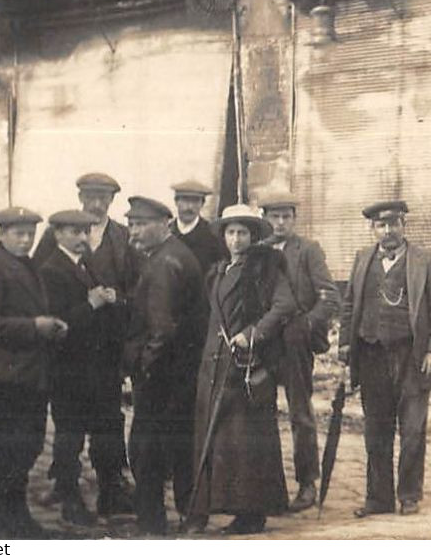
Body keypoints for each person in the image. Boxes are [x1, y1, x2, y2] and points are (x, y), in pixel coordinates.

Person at [187, 205, 298, 535]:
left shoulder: (264, 269)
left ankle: (251, 512)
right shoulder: (219, 271)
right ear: (223, 237)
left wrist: (253, 334)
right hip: (214, 364)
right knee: (213, 437)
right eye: (231, 232)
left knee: (244, 441)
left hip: (245, 365)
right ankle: (205, 508)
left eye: (243, 233)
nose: (236, 239)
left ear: (253, 237)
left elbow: (285, 305)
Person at [31, 171, 135, 517]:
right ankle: (67, 490)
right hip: (71, 363)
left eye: (103, 197)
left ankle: (111, 489)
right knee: (70, 428)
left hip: (103, 356)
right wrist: (91, 304)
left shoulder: (107, 246)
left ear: (111, 201)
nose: (81, 235)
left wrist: (109, 301)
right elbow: (50, 310)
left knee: (107, 423)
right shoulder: (52, 264)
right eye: (73, 231)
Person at [337, 200, 431, 518]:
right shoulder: (362, 259)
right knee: (376, 429)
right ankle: (378, 498)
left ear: (404, 226)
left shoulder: (423, 260)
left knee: (412, 429)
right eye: (381, 226)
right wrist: (345, 344)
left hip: (411, 356)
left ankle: (409, 494)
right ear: (372, 229)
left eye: (394, 224)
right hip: (371, 354)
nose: (388, 231)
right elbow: (349, 307)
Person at [0, 208, 67, 537]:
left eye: (30, 234)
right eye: (18, 234)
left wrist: (49, 326)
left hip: (30, 375)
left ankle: (16, 514)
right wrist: (34, 327)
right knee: (4, 449)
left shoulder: (28, 266)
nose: (25, 240)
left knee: (27, 447)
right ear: (2, 234)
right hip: (3, 377)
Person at [123, 196, 207, 536]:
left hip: (161, 374)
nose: (134, 233)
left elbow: (161, 328)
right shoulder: (173, 255)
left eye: (141, 225)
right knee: (179, 443)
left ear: (164, 224)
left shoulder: (163, 265)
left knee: (146, 450)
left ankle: (152, 525)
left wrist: (144, 366)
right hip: (181, 371)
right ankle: (190, 513)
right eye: (130, 225)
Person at [258, 194, 339, 512]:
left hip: (294, 340)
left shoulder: (307, 250)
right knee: (259, 413)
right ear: (266, 218)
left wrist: (307, 325)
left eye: (286, 217)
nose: (280, 223)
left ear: (294, 218)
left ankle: (307, 484)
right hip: (264, 341)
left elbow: (329, 295)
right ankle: (265, 485)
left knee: (299, 413)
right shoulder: (258, 250)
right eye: (275, 217)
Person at [170, 180, 226, 277]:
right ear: (176, 202)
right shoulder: (166, 232)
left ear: (202, 204)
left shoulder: (213, 235)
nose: (189, 207)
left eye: (195, 201)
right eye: (185, 200)